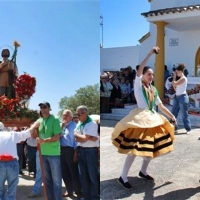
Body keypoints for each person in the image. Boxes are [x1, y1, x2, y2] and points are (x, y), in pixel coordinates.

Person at [112, 46, 176, 190]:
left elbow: (160, 106)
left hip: (152, 120)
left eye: (152, 74)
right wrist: (150, 53)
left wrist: (171, 116)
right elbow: (139, 70)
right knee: (134, 150)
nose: (151, 76)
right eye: (149, 74)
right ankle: (123, 177)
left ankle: (143, 171)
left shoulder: (153, 89)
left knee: (151, 148)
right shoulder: (138, 86)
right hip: (140, 119)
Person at [0, 121, 39, 200]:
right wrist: (35, 125)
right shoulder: (11, 134)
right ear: (3, 128)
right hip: (12, 163)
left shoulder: (12, 134)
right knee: (12, 190)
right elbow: (27, 133)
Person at [36, 102, 62, 200]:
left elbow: (57, 136)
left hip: (53, 154)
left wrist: (44, 141)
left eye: (45, 107)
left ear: (49, 108)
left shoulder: (54, 120)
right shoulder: (40, 120)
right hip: (42, 154)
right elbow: (36, 133)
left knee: (56, 181)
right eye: (41, 107)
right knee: (47, 181)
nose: (43, 109)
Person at [74, 105, 99, 200]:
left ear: (85, 113)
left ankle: (94, 197)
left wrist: (77, 134)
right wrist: (85, 137)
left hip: (90, 152)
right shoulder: (79, 124)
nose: (78, 116)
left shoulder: (91, 124)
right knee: (83, 176)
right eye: (77, 114)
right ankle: (86, 196)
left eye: (79, 114)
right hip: (81, 151)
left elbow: (83, 138)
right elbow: (78, 139)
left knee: (92, 175)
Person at [60, 109, 82, 198]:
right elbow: (57, 136)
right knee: (64, 172)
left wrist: (75, 153)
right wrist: (62, 127)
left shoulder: (75, 126)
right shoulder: (60, 125)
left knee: (73, 171)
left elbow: (76, 141)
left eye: (66, 115)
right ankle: (69, 190)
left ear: (71, 117)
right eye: (63, 115)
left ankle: (78, 191)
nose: (64, 117)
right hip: (61, 150)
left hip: (70, 150)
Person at [171, 64, 191, 134]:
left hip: (183, 97)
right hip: (177, 97)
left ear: (180, 71)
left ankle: (188, 129)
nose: (176, 73)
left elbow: (174, 83)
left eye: (177, 72)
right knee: (173, 113)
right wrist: (174, 82)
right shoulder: (180, 79)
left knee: (184, 114)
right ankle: (174, 128)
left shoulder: (183, 78)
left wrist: (174, 76)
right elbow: (174, 86)